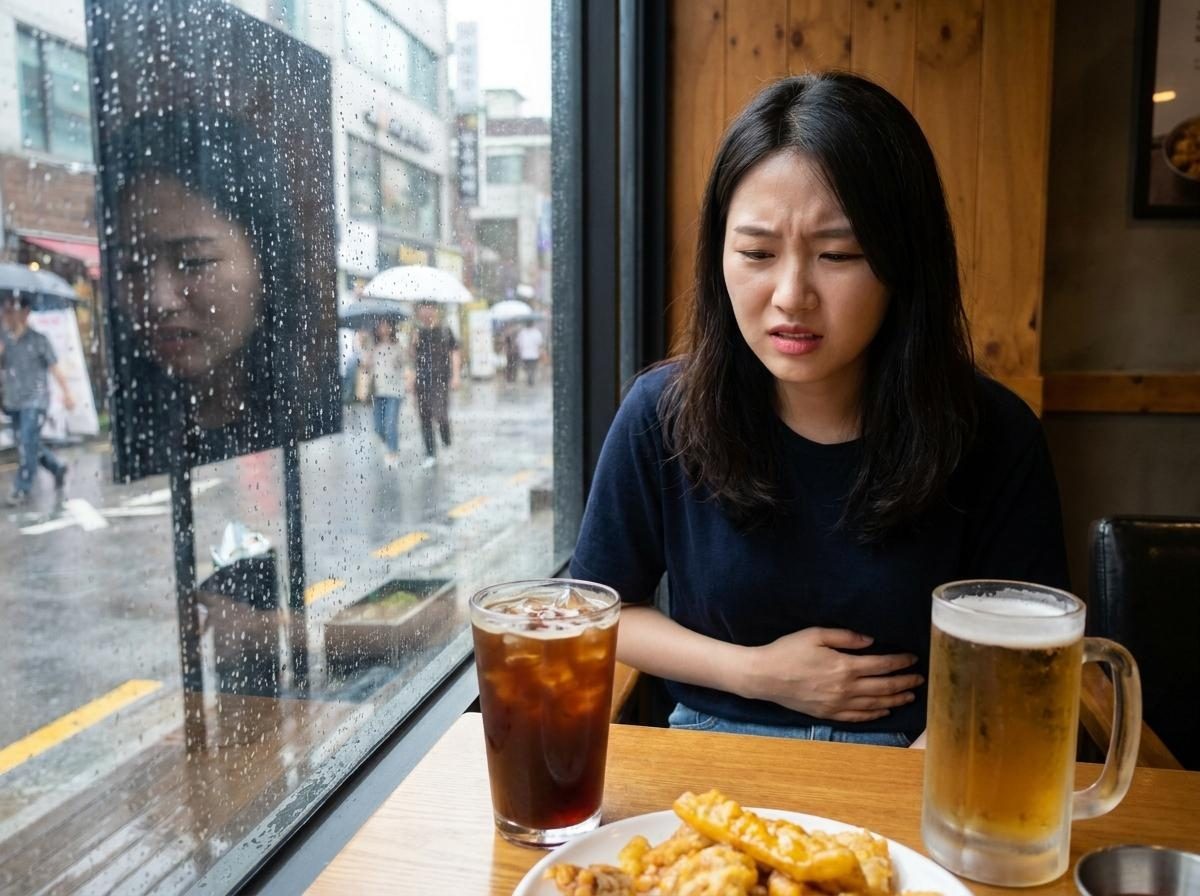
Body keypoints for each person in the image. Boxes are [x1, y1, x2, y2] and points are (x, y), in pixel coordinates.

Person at [569, 72, 1069, 747]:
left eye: (838, 254)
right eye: (756, 253)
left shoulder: (993, 434)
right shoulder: (663, 413)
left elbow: (1023, 658)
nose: (790, 295)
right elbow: (600, 610)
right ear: (719, 256)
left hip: (923, 755)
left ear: (903, 262)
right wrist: (756, 674)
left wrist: (924, 777)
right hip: (717, 739)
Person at [104, 111, 338, 477]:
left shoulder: (311, 408)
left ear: (267, 264)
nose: (157, 300)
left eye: (193, 261)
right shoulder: (140, 421)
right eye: (131, 268)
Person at [1, 294, 75, 505]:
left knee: (26, 442)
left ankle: (21, 488)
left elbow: (55, 367)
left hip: (36, 400)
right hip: (13, 400)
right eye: (5, 311)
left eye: (11, 310)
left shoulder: (39, 339)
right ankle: (57, 468)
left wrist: (67, 393)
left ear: (24, 313)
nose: (7, 315)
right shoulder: (4, 340)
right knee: (27, 443)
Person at [408, 301, 460, 468]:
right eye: (423, 308)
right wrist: (413, 343)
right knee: (424, 418)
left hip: (441, 380)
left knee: (440, 414)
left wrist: (456, 376)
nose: (426, 312)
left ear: (435, 310)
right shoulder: (417, 332)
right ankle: (430, 453)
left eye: (429, 308)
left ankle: (446, 438)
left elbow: (455, 353)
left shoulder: (445, 331)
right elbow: (411, 357)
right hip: (422, 380)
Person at [368, 319, 406, 462]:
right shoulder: (373, 347)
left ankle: (392, 452)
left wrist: (400, 359)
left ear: (391, 327)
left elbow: (403, 362)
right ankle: (388, 442)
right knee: (378, 427)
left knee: (390, 423)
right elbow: (367, 367)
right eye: (380, 325)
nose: (383, 328)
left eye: (386, 325)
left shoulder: (397, 346)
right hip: (378, 391)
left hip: (394, 391)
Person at [515, 320, 544, 386]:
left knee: (527, 368)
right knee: (532, 367)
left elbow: (518, 342)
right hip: (534, 354)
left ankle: (530, 378)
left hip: (525, 354)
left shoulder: (522, 332)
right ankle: (531, 378)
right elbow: (540, 343)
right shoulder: (536, 332)